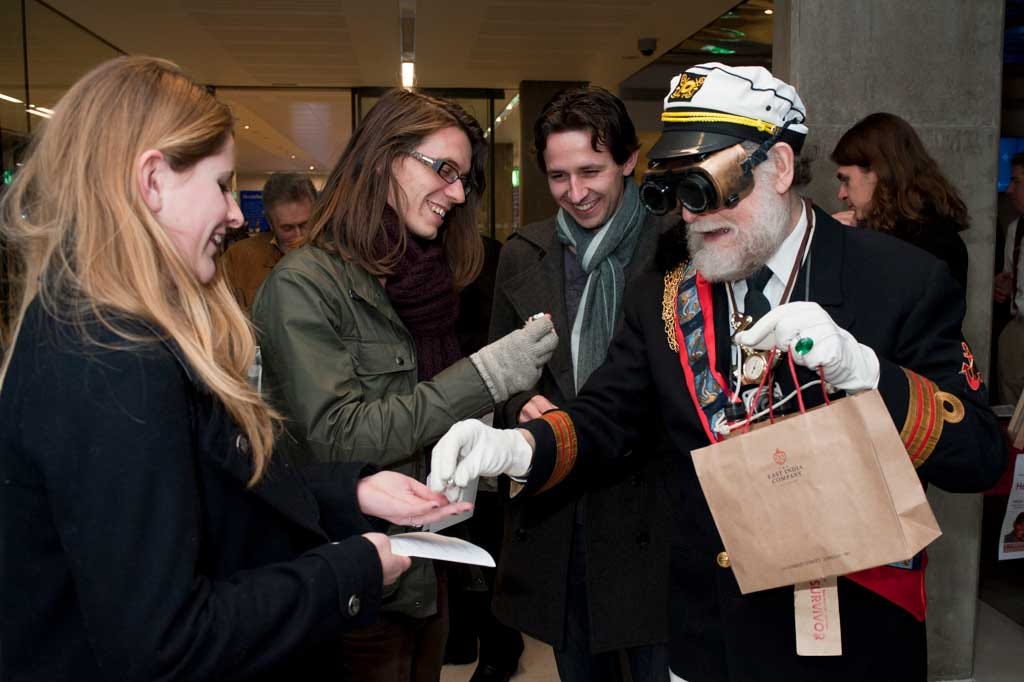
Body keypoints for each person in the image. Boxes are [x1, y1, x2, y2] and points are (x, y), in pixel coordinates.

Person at [430, 62, 1005, 682]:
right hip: (711, 634)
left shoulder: (898, 280)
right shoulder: (664, 295)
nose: (693, 214)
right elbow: (604, 416)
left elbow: (979, 456)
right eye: (676, 191)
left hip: (852, 633)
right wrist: (513, 447)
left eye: (710, 185)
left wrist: (867, 373)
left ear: (780, 166)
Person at [0, 56, 471, 682]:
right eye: (221, 185)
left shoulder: (108, 329)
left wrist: (348, 491)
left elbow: (208, 494)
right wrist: (349, 570)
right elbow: (167, 643)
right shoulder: (111, 361)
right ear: (151, 182)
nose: (234, 214)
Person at [251, 89, 557, 682]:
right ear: (386, 158)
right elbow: (341, 439)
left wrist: (504, 427)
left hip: (430, 560)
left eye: (464, 179)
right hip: (355, 580)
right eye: (443, 171)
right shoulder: (305, 285)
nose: (458, 193)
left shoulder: (419, 276)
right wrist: (486, 376)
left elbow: (419, 406)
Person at [486, 86, 673, 682]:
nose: (576, 192)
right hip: (565, 512)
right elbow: (497, 369)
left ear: (628, 159)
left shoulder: (677, 244)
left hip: (654, 509)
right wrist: (520, 403)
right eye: (559, 176)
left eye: (591, 170)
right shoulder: (524, 254)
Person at [831, 112, 970, 289]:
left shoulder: (933, 246)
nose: (841, 194)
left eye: (846, 180)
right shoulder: (880, 233)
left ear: (878, 173)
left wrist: (852, 250)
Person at [222, 172, 316, 312]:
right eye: (287, 228)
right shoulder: (238, 257)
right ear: (270, 222)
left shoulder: (333, 256)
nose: (299, 235)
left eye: (304, 225)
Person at [994, 152, 1024, 404]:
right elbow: (1009, 277)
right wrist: (1003, 285)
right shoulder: (1015, 229)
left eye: (1017, 182)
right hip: (1017, 327)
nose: (1010, 190)